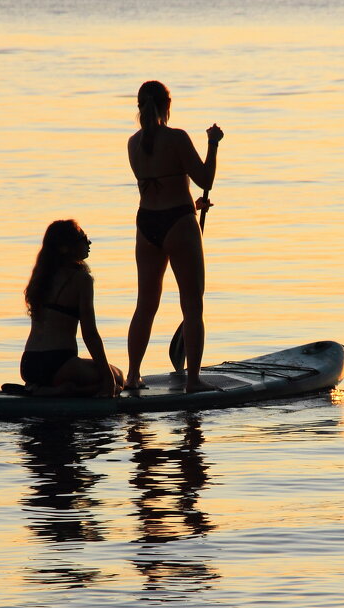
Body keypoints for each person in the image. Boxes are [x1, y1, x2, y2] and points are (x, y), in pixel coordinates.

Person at [126, 80, 224, 392]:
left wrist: (193, 204)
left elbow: (159, 189)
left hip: (147, 225)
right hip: (179, 224)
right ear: (168, 107)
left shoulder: (133, 143)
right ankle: (193, 381)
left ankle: (132, 376)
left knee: (145, 304)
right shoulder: (177, 138)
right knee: (192, 305)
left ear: (139, 107)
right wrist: (213, 143)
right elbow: (205, 177)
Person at [21, 220, 124, 397]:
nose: (89, 243)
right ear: (64, 248)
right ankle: (64, 391)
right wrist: (109, 379)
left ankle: (43, 389)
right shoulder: (81, 279)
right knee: (119, 376)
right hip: (59, 364)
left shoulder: (41, 277)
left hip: (29, 364)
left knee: (105, 374)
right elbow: (90, 333)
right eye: (83, 238)